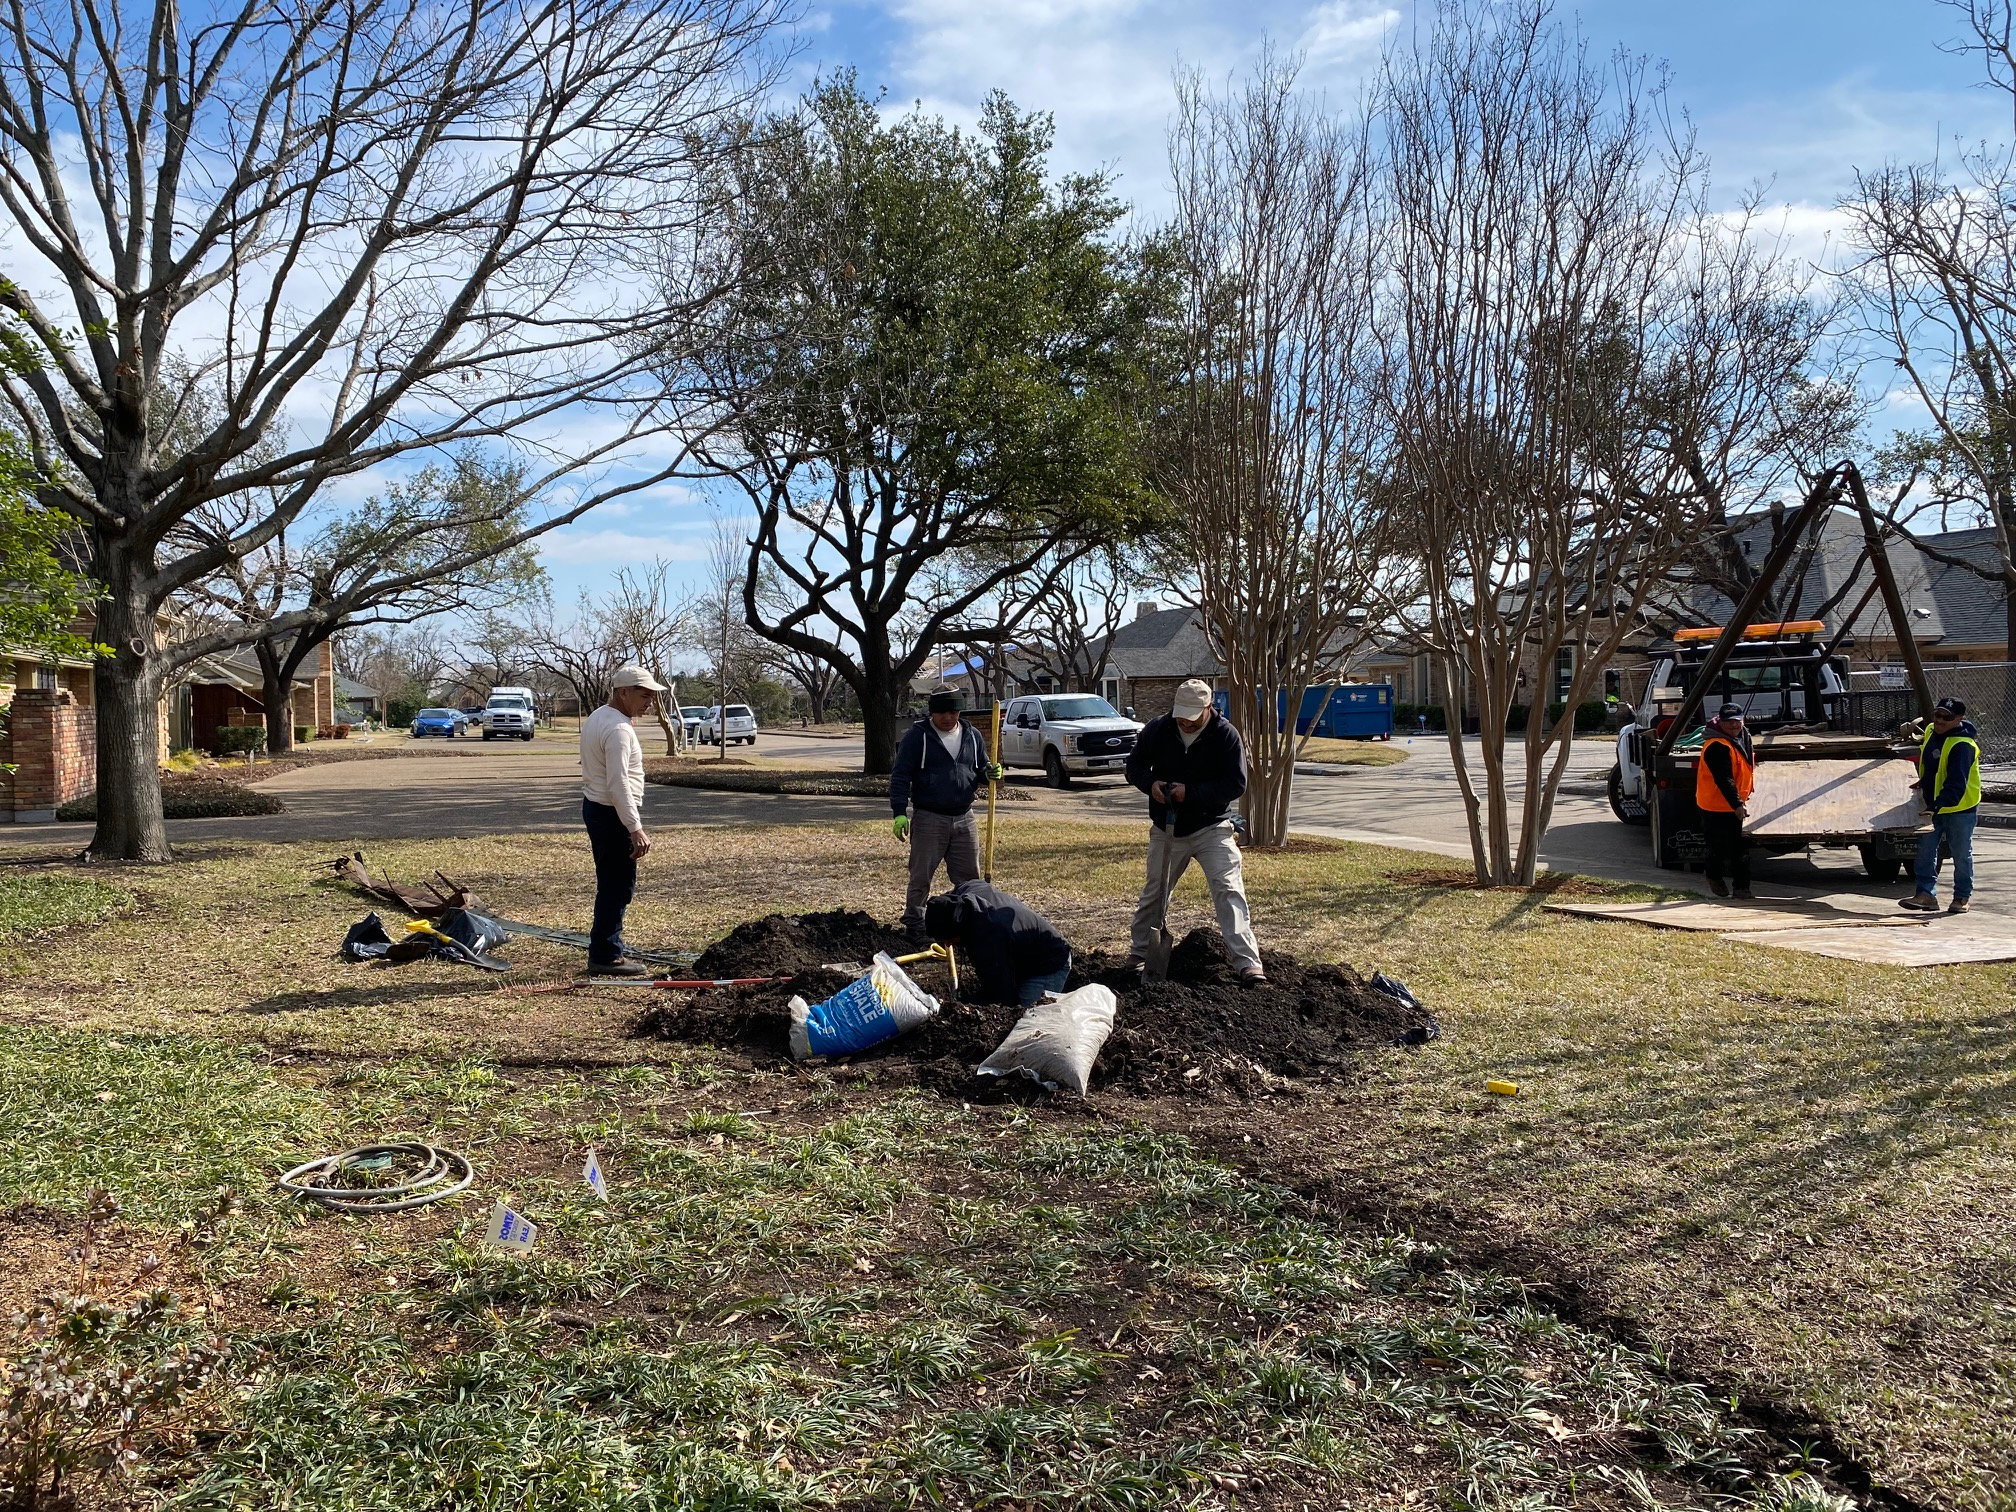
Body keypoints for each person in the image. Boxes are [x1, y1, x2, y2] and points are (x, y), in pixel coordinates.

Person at [1124, 678, 1266, 986]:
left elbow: (1235, 784)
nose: (1185, 723)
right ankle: (1139, 954)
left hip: (1212, 828)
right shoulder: (1158, 730)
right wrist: (1152, 786)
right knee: (1155, 892)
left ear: (1207, 708)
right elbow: (1133, 766)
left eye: (1191, 717)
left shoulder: (1225, 735)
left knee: (1229, 890)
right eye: (1180, 715)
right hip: (1167, 829)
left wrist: (1192, 793)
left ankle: (1247, 964)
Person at [890, 686, 1003, 943]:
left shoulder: (972, 736)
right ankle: (915, 925)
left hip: (964, 816)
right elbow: (900, 777)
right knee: (920, 875)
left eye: (953, 711)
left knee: (969, 878)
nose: (948, 717)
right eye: (942, 712)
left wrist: (989, 774)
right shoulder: (917, 737)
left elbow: (980, 768)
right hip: (929, 817)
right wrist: (899, 813)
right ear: (932, 712)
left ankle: (970, 923)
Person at [579, 665, 663, 976]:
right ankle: (605, 955)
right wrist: (635, 828)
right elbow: (618, 783)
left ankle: (607, 947)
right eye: (644, 695)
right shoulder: (618, 730)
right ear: (623, 692)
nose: (649, 703)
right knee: (617, 887)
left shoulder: (599, 717)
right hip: (611, 814)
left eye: (652, 697)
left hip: (596, 808)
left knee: (610, 884)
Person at [924, 880, 1072, 1007]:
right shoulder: (965, 894)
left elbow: (1004, 996)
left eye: (949, 938)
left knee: (1027, 1018)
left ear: (959, 928)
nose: (948, 944)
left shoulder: (990, 938)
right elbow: (973, 883)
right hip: (1022, 951)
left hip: (1049, 963)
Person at [1902, 696, 1981, 915]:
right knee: (1925, 851)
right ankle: (1925, 895)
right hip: (1933, 804)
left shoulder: (1963, 746)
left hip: (1960, 807)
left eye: (1947, 717)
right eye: (1937, 715)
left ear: (1959, 719)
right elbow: (1931, 764)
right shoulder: (1930, 731)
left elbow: (1956, 783)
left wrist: (1936, 806)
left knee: (1961, 853)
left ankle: (1962, 897)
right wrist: (1922, 782)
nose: (1940, 720)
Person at [1696, 701, 1755, 900]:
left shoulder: (1741, 737)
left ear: (1743, 720)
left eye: (1737, 721)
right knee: (1718, 848)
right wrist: (1737, 804)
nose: (1734, 726)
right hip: (1715, 805)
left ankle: (1742, 889)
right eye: (1729, 722)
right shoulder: (1717, 746)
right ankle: (1714, 877)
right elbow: (1724, 779)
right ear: (1720, 723)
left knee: (1741, 848)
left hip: (1736, 803)